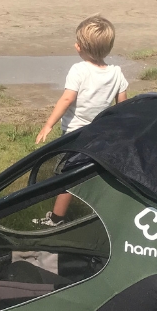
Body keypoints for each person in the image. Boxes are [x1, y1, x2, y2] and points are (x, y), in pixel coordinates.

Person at [34, 15, 128, 225]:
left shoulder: (79, 70)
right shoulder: (116, 73)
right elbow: (122, 106)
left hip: (76, 135)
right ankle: (103, 210)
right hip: (101, 134)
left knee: (68, 177)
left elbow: (67, 98)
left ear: (80, 48)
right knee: (94, 171)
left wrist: (48, 125)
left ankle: (57, 219)